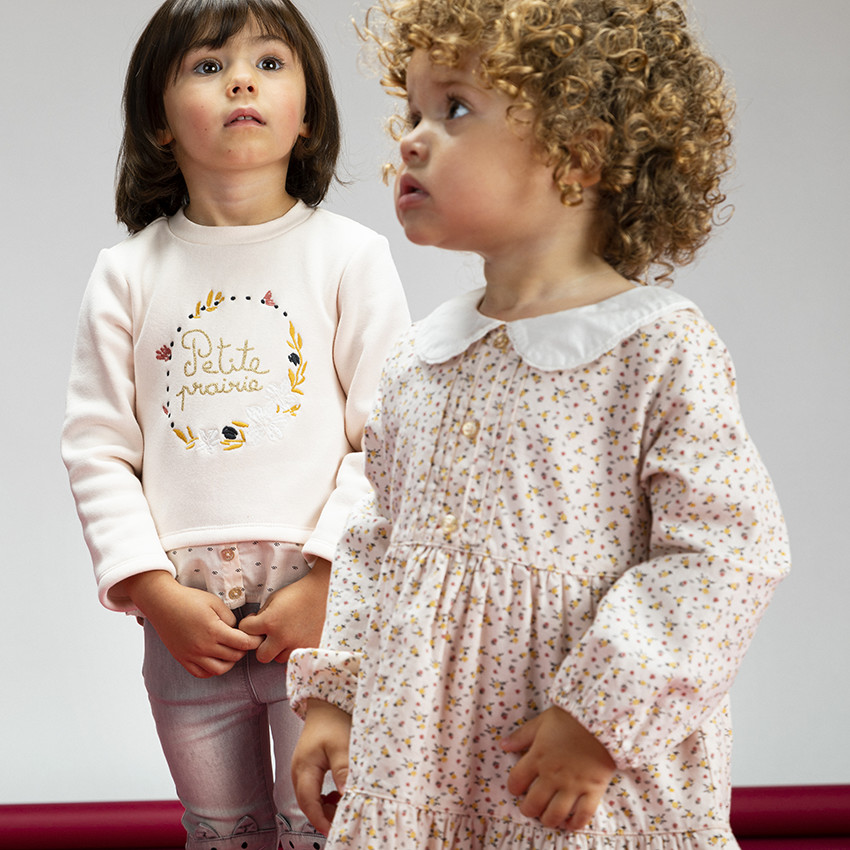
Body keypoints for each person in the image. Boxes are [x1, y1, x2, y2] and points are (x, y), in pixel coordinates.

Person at [285, 0, 791, 847]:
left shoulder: (655, 349)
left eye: (454, 110)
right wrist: (339, 692)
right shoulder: (421, 359)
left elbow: (728, 551)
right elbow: (377, 538)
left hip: (569, 774)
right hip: (420, 765)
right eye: (411, 111)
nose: (410, 139)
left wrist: (602, 718)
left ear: (579, 151)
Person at [60, 0, 409, 848]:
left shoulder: (348, 257)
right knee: (220, 829)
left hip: (321, 618)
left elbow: (392, 437)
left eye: (269, 62)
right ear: (158, 119)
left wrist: (326, 581)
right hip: (185, 624)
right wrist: (152, 592)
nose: (241, 78)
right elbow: (98, 449)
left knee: (329, 820)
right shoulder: (126, 274)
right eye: (208, 66)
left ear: (308, 112)